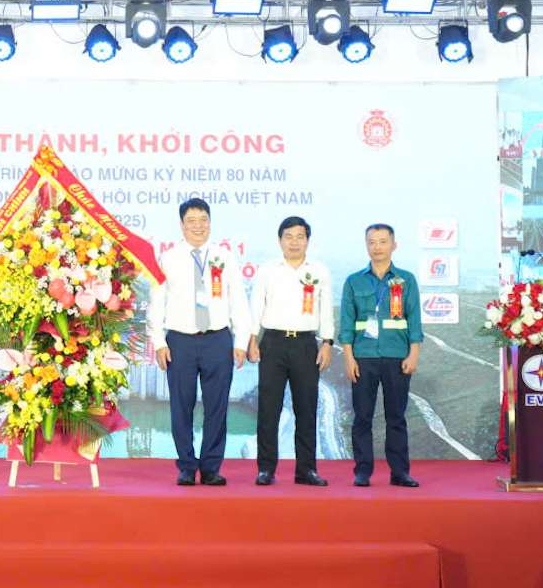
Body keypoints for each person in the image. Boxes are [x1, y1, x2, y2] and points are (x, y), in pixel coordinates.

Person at [146, 198, 252, 486]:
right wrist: (158, 341)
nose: (198, 226)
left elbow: (239, 300)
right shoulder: (168, 258)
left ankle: (211, 467)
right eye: (191, 220)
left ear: (210, 222)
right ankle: (186, 466)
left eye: (203, 219)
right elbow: (157, 302)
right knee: (181, 405)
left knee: (217, 406)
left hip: (218, 339)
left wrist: (240, 340)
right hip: (180, 340)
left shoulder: (224, 257)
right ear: (181, 225)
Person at [248, 216, 335, 486]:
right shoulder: (267, 270)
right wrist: (252, 339)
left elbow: (326, 309)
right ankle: (266, 469)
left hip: (306, 345)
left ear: (308, 240)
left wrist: (327, 343)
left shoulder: (319, 271)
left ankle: (306, 470)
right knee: (268, 409)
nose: (294, 242)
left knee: (306, 409)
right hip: (272, 343)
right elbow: (256, 306)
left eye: (300, 236)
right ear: (280, 240)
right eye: (289, 236)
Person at [338, 224, 423, 488]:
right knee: (362, 416)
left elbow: (414, 319)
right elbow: (347, 322)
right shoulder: (354, 281)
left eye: (383, 241)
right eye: (372, 242)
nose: (377, 247)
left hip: (397, 356)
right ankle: (362, 471)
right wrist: (348, 358)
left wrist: (414, 353)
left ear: (393, 245)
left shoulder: (406, 280)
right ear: (366, 246)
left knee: (396, 417)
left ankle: (400, 472)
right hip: (363, 357)